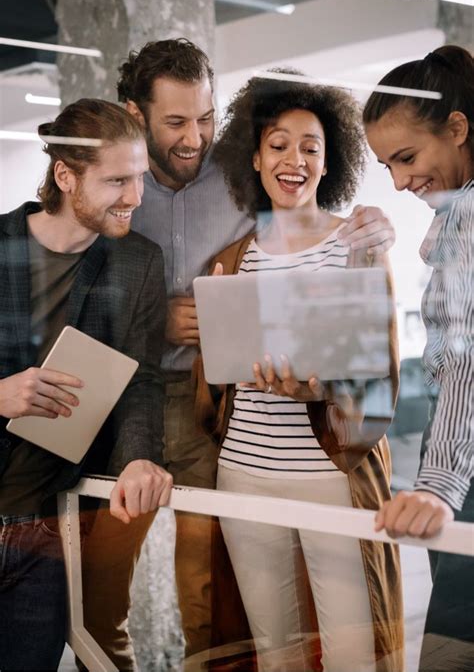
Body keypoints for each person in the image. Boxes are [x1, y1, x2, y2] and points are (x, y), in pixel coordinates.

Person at [83, 38, 398, 668]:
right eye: (176, 122)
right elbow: (81, 295)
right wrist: (158, 321)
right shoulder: (133, 200)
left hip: (315, 462)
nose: (195, 137)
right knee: (257, 639)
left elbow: (375, 373)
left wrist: (323, 389)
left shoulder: (340, 239)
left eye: (205, 119)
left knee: (334, 641)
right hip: (187, 429)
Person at [195, 74, 404, 672]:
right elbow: (214, 378)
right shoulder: (232, 258)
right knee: (273, 649)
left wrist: (323, 389)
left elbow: (376, 367)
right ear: (255, 156)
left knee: (354, 653)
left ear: (328, 160)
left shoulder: (356, 246)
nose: (295, 160)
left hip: (330, 477)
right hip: (243, 472)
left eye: (311, 147)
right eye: (279, 144)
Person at [0, 98, 172, 671]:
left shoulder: (139, 261)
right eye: (117, 180)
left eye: (140, 177)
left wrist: (140, 458)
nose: (135, 197)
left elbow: (141, 383)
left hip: (48, 529)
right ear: (65, 175)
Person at [363, 45, 474, 671]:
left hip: (464, 469)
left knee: (449, 655)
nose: (401, 181)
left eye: (407, 157)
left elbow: (467, 357)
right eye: (388, 166)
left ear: (457, 129)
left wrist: (438, 484)